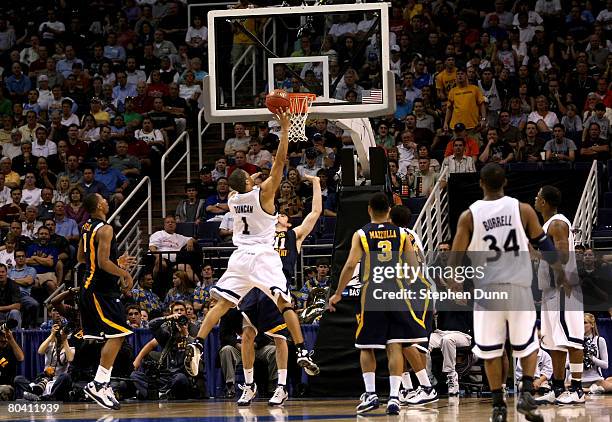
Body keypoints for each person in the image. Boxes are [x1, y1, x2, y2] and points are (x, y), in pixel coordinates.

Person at [184, 110, 319, 385]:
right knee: (285, 302)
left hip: (239, 257)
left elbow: (239, 185)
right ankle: (303, 349)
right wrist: (283, 130)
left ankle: (197, 343)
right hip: (263, 256)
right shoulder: (264, 196)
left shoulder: (233, 201)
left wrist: (249, 179)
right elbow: (280, 163)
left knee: (221, 304)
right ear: (249, 181)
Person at [450, 163, 565, 422]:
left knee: (492, 351)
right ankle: (525, 389)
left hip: (488, 292)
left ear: (481, 183)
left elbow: (454, 260)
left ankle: (498, 405)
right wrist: (558, 265)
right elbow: (544, 244)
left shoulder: (469, 215)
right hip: (518, 289)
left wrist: (454, 282)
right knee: (529, 344)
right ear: (505, 183)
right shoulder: (522, 209)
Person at [328, 193, 423, 415]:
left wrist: (337, 293)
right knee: (396, 344)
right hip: (397, 291)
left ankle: (371, 394)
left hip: (372, 292)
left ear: (369, 209)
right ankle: (394, 397)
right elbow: (413, 267)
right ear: (389, 210)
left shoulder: (361, 234)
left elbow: (351, 265)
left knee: (366, 345)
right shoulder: (402, 234)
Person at [237, 174, 322, 406]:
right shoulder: (260, 230)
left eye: (284, 214)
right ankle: (249, 385)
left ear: (288, 222)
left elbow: (315, 214)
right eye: (278, 212)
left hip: (277, 287)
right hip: (255, 286)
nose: (280, 215)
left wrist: (315, 183)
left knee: (279, 338)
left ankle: (282, 387)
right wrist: (252, 185)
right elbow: (246, 204)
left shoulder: (294, 236)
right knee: (247, 335)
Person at [77, 193, 135, 410]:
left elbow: (82, 259)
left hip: (90, 288)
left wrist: (114, 262)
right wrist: (124, 273)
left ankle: (102, 382)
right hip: (99, 291)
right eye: (104, 199)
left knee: (114, 336)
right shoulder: (106, 228)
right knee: (119, 334)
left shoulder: (86, 227)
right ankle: (99, 383)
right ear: (99, 205)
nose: (106, 201)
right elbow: (101, 263)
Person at [534, 185, 585, 406]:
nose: (535, 200)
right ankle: (557, 388)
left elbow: (562, 257)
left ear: (544, 202)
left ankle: (577, 389)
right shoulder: (547, 225)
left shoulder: (557, 224)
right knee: (554, 342)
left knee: (572, 340)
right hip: (551, 291)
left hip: (565, 289)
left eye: (537, 197)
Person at [582, 313, 612, 394]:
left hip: (595, 380)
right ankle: (594, 390)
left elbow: (605, 365)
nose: (581, 325)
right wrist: (578, 358)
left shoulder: (599, 340)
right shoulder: (574, 341)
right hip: (577, 381)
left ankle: (591, 389)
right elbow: (566, 365)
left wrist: (591, 358)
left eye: (585, 323)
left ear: (592, 325)